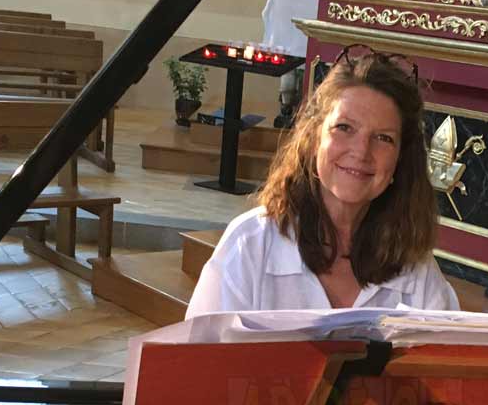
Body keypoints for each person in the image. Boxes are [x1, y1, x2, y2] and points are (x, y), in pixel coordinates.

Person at [185, 45, 459, 316]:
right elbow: (195, 357)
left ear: (400, 160)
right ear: (314, 140)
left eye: (383, 138)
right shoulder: (251, 244)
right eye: (344, 128)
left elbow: (446, 357)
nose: (361, 151)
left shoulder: (417, 270)